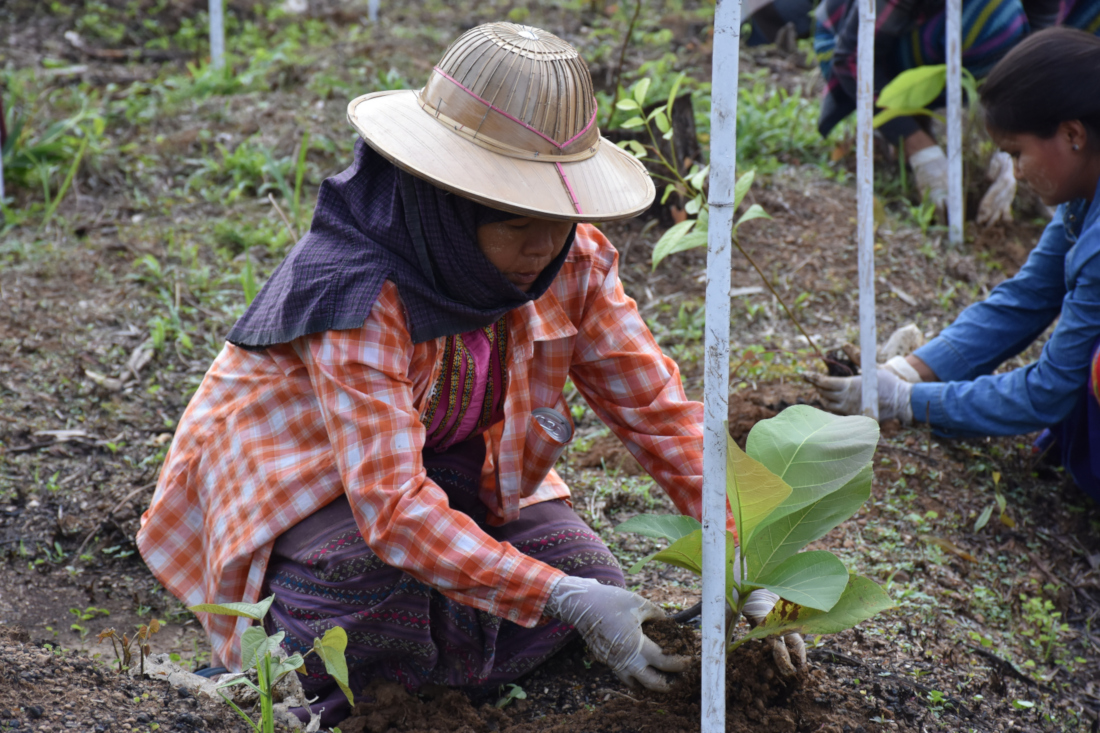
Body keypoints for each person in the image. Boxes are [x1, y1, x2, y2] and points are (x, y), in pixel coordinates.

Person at [136, 22, 797, 726]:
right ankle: (317, 674)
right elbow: (389, 508)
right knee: (362, 583)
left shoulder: (570, 261)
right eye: (514, 221)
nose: (541, 246)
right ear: (445, 200)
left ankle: (430, 653)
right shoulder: (360, 288)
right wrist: (553, 595)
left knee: (594, 576)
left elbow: (660, 417)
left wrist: (753, 566)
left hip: (457, 470)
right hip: (311, 483)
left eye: (558, 217)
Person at [808, 28, 1100, 502]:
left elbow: (1049, 390)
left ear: (1072, 134)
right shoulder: (1081, 201)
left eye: (1016, 154)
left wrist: (909, 402)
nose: (1017, 172)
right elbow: (1026, 298)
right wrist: (912, 370)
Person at [814, 0, 1100, 218]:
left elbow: (1037, 60)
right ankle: (899, 125)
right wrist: (921, 151)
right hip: (852, 44)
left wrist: (1019, 136)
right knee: (997, 23)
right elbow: (852, 57)